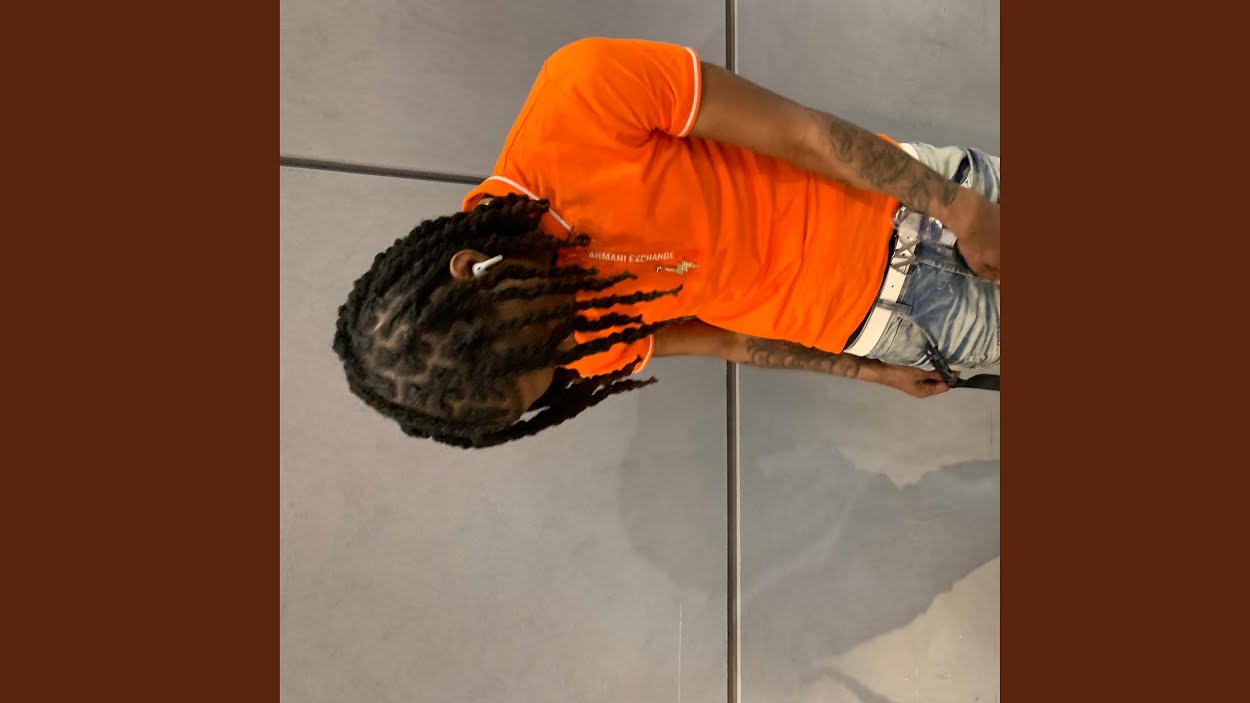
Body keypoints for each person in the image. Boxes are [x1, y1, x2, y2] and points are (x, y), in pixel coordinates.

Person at [333, 37, 1000, 449]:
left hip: (922, 215)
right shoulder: (579, 348)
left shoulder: (578, 98)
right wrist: (870, 371)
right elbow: (725, 341)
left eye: (545, 338)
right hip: (889, 331)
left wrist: (960, 208)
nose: (567, 344)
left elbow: (801, 132)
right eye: (553, 369)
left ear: (472, 269)